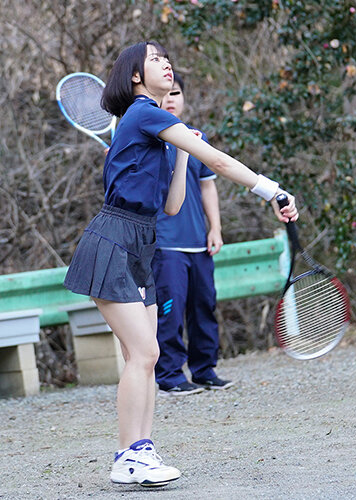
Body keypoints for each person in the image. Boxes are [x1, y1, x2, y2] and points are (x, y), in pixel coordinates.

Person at [63, 41, 297, 487]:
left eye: (166, 58)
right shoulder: (142, 112)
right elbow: (220, 162)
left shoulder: (154, 125)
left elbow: (172, 206)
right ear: (135, 75)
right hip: (113, 242)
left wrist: (185, 148)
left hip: (143, 242)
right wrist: (272, 190)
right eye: (154, 59)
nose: (166, 63)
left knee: (142, 357)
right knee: (146, 353)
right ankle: (129, 456)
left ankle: (140, 451)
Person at [152, 75, 232, 396]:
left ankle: (204, 370)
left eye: (176, 93)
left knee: (204, 308)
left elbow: (207, 186)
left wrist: (215, 228)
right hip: (164, 244)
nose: (171, 98)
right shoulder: (147, 137)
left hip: (199, 243)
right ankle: (170, 375)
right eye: (165, 93)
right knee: (169, 312)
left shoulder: (196, 137)